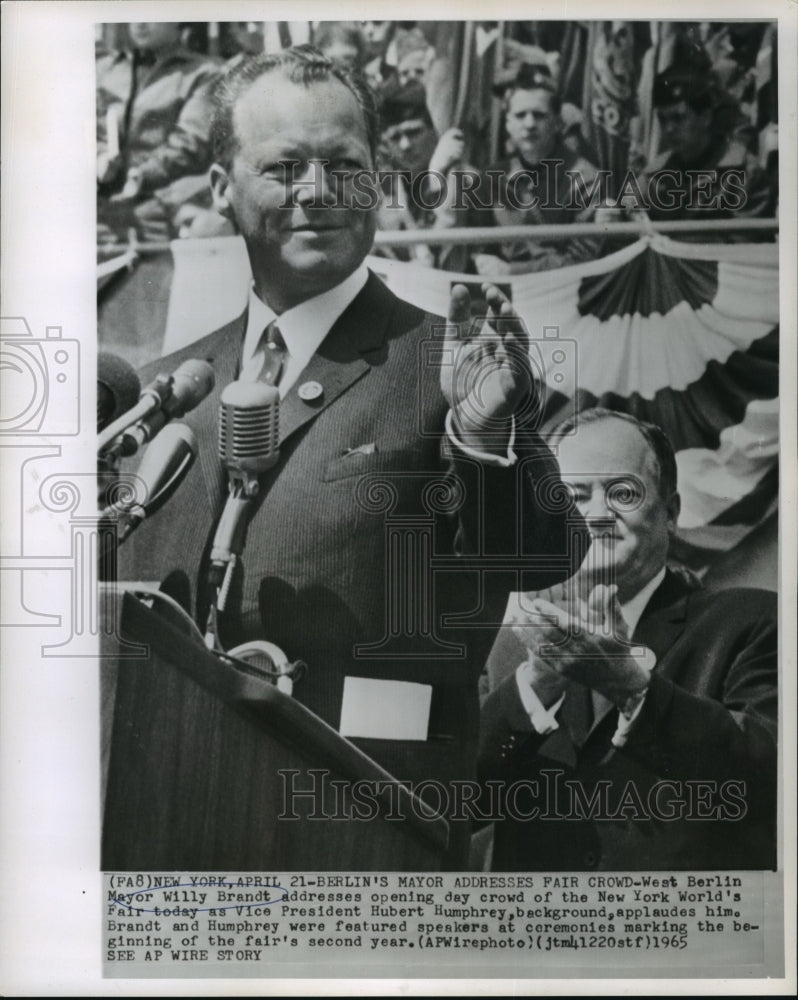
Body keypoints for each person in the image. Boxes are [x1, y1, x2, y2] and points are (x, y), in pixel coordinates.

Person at [114, 46, 584, 868]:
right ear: (222, 186)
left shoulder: (451, 365)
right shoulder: (166, 392)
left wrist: (481, 438)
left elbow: (543, 554)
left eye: (345, 165)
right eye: (284, 165)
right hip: (168, 826)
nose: (318, 192)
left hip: (365, 833)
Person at [478, 408, 777, 871]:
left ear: (671, 513)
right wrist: (535, 685)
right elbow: (457, 802)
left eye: (622, 492)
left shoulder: (750, 622)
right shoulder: (510, 652)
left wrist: (635, 690)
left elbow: (774, 782)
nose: (597, 514)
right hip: (536, 936)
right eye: (574, 496)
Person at [96, 22, 220, 243]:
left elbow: (191, 142)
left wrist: (142, 175)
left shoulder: (202, 74)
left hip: (162, 212)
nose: (141, 23)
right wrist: (99, 158)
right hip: (98, 214)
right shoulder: (104, 70)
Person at [474, 65, 603, 276]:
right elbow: (475, 247)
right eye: (520, 115)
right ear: (508, 124)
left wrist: (512, 271)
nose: (530, 124)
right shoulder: (491, 179)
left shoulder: (586, 179)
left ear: (557, 121)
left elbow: (585, 261)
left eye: (539, 115)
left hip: (567, 298)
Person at [376, 78, 479, 271]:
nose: (405, 145)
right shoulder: (386, 188)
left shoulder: (466, 179)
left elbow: (444, 249)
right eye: (395, 137)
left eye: (414, 133)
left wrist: (435, 179)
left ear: (434, 132)